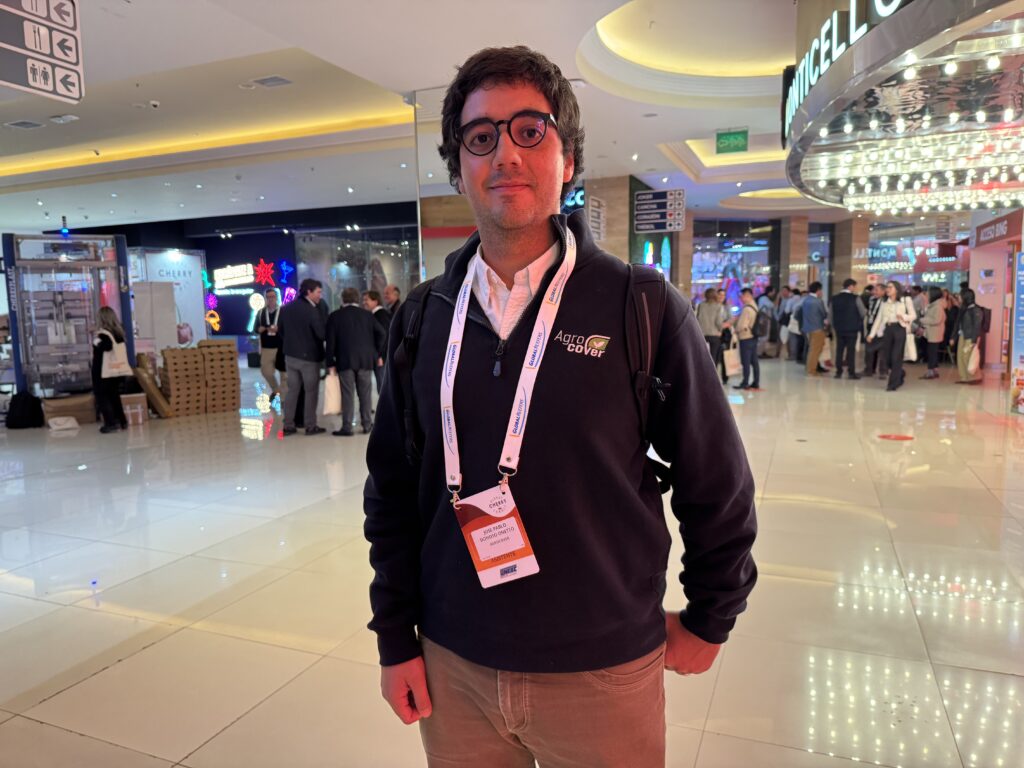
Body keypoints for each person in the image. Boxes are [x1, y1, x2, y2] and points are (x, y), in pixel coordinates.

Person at [364, 46, 757, 768]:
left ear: (567, 159)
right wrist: (396, 638)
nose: (505, 154)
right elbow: (391, 490)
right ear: (458, 168)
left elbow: (717, 479)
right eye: (481, 137)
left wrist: (711, 614)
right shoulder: (422, 317)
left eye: (529, 130)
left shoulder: (640, 306)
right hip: (454, 665)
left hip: (602, 670)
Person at [327, 287, 384, 436]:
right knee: (365, 394)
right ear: (357, 299)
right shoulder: (367, 315)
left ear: (342, 299)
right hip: (366, 360)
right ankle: (367, 424)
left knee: (347, 394)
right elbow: (382, 333)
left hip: (345, 360)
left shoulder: (335, 316)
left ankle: (347, 427)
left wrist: (330, 362)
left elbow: (330, 341)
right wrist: (377, 353)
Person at [278, 278, 326, 435]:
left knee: (292, 391)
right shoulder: (312, 310)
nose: (320, 295)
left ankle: (288, 425)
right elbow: (321, 334)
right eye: (318, 292)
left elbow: (281, 331)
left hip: (290, 356)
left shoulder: (286, 308)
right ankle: (310, 425)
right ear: (309, 292)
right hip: (309, 358)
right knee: (311, 392)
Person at [867, 281, 916, 392]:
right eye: (887, 287)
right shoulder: (884, 302)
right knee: (887, 358)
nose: (887, 289)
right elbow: (878, 319)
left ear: (897, 289)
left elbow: (913, 315)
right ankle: (900, 373)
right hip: (887, 330)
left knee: (896, 357)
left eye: (890, 287)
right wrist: (871, 334)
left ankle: (892, 384)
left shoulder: (905, 300)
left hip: (900, 329)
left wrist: (904, 316)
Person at [92, 306, 129, 434]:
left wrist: (96, 341)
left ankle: (110, 423)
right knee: (114, 396)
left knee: (102, 397)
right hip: (116, 370)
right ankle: (121, 421)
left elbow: (106, 347)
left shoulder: (104, 334)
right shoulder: (118, 333)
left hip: (103, 372)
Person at [829, 278, 865, 379]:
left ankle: (838, 372)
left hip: (839, 328)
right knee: (851, 351)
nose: (855, 289)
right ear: (850, 286)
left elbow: (830, 314)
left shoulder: (834, 298)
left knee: (839, 350)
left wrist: (833, 326)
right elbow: (863, 312)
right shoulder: (856, 298)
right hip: (852, 328)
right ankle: (851, 372)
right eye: (854, 286)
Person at [256, 287, 285, 399]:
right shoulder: (261, 313)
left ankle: (284, 400)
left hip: (282, 347)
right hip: (267, 347)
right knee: (266, 371)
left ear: (276, 298)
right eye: (268, 297)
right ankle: (276, 391)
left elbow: (290, 328)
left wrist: (279, 329)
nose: (270, 299)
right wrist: (259, 329)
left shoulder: (283, 311)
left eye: (272, 297)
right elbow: (255, 328)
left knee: (285, 375)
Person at [695, 287, 730, 374]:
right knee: (713, 357)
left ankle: (702, 374)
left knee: (702, 356)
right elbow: (718, 322)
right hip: (714, 335)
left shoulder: (701, 305)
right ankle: (711, 376)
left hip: (702, 335)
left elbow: (697, 319)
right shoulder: (719, 306)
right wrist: (720, 330)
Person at [363, 289, 391, 393]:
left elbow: (385, 336)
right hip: (382, 356)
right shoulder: (380, 314)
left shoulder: (380, 315)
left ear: (375, 301)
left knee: (383, 387)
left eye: (367, 300)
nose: (364, 302)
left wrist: (380, 355)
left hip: (382, 357)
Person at [798, 281, 828, 376]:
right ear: (818, 290)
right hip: (817, 328)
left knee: (811, 349)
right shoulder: (818, 301)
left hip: (807, 328)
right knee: (815, 350)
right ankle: (811, 370)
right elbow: (824, 314)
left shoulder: (805, 300)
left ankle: (809, 367)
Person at [954, 288, 984, 384]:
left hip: (971, 337)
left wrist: (974, 340)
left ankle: (975, 377)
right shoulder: (964, 309)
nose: (958, 298)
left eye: (960, 296)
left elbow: (977, 326)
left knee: (968, 356)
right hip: (963, 335)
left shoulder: (976, 309)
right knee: (960, 356)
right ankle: (964, 377)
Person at [734, 288, 760, 390]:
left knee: (746, 361)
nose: (741, 299)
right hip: (753, 336)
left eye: (742, 296)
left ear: (747, 295)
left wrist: (736, 330)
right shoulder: (755, 306)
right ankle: (756, 382)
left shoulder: (747, 309)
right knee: (754, 361)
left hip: (746, 337)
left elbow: (742, 325)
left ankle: (745, 382)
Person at [919, 286, 946, 380]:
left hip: (935, 334)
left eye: (928, 293)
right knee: (932, 353)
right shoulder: (934, 305)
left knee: (932, 353)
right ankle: (934, 370)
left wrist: (922, 320)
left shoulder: (937, 306)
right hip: (933, 333)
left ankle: (931, 372)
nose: (926, 295)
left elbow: (936, 320)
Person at [863, 283, 887, 378]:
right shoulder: (871, 299)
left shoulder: (886, 301)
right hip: (871, 326)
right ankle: (869, 369)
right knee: (869, 350)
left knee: (883, 352)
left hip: (882, 328)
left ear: (883, 291)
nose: (874, 292)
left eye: (877, 290)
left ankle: (883, 371)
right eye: (874, 290)